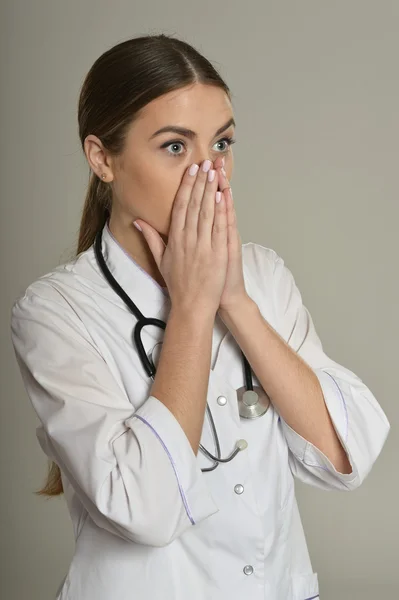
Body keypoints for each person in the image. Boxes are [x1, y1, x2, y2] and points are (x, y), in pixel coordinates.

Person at [10, 34, 389, 600]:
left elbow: (348, 452)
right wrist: (191, 307)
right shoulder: (54, 312)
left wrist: (233, 301)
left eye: (222, 143)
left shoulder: (262, 277)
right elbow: (146, 509)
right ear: (101, 158)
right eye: (174, 147)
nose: (210, 173)